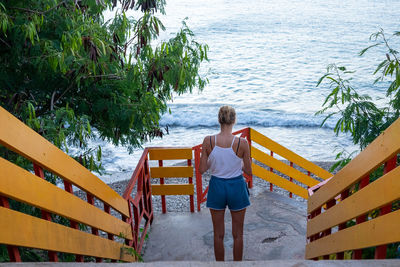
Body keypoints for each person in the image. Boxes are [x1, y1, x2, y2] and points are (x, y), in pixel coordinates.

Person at [199, 105, 252, 261]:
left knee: (218, 234)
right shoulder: (242, 143)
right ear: (234, 120)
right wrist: (238, 164)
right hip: (236, 187)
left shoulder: (208, 141)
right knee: (238, 234)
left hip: (217, 187)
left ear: (219, 120)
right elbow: (248, 171)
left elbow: (202, 168)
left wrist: (214, 161)